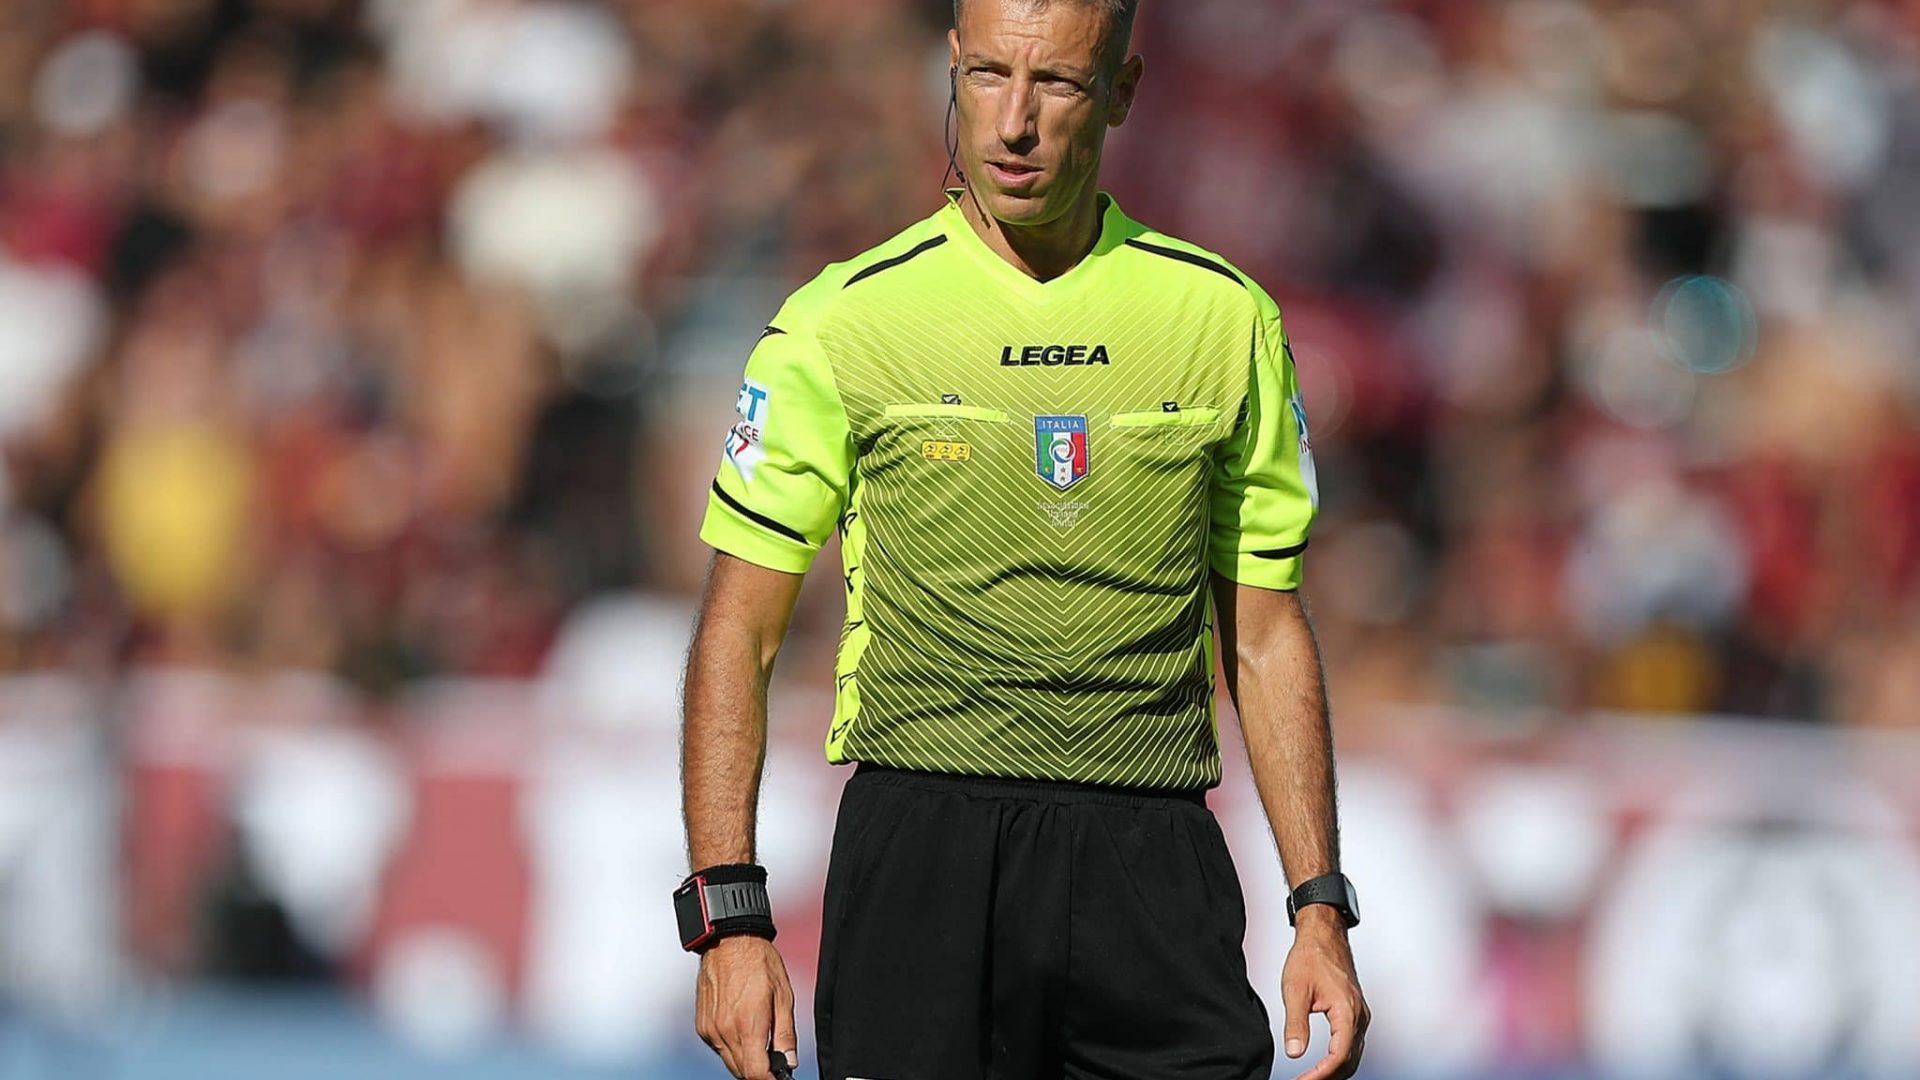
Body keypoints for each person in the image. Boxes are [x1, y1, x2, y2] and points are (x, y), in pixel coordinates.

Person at [678, 1, 1370, 1077]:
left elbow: (1267, 633)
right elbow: (739, 631)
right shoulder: (841, 321)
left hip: (1153, 859)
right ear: (952, 67)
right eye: (989, 75)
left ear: (1123, 92)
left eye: (1057, 84)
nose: (1013, 123)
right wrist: (728, 918)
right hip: (920, 850)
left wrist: (1319, 907)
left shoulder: (1223, 321)